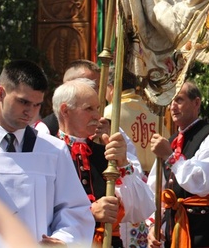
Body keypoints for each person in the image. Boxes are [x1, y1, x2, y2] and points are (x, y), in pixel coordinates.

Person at [0, 60, 94, 245]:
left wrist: (61, 239)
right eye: (23, 102)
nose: (29, 112)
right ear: (0, 93)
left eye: (37, 105)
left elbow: (75, 210)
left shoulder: (53, 150)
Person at [53, 78, 155, 247]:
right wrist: (89, 214)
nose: (97, 116)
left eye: (98, 108)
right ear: (65, 111)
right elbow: (40, 211)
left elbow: (141, 209)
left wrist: (122, 162)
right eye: (89, 109)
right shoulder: (48, 153)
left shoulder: (105, 153)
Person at [147, 80, 209, 247]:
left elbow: (201, 183)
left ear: (196, 103)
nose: (172, 107)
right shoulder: (171, 142)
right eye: (171, 101)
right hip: (174, 234)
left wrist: (170, 156)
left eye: (179, 100)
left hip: (208, 235)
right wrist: (154, 225)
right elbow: (155, 190)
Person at [104, 66, 167, 245]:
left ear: (111, 88)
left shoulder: (111, 113)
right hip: (152, 189)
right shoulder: (153, 113)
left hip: (127, 188)